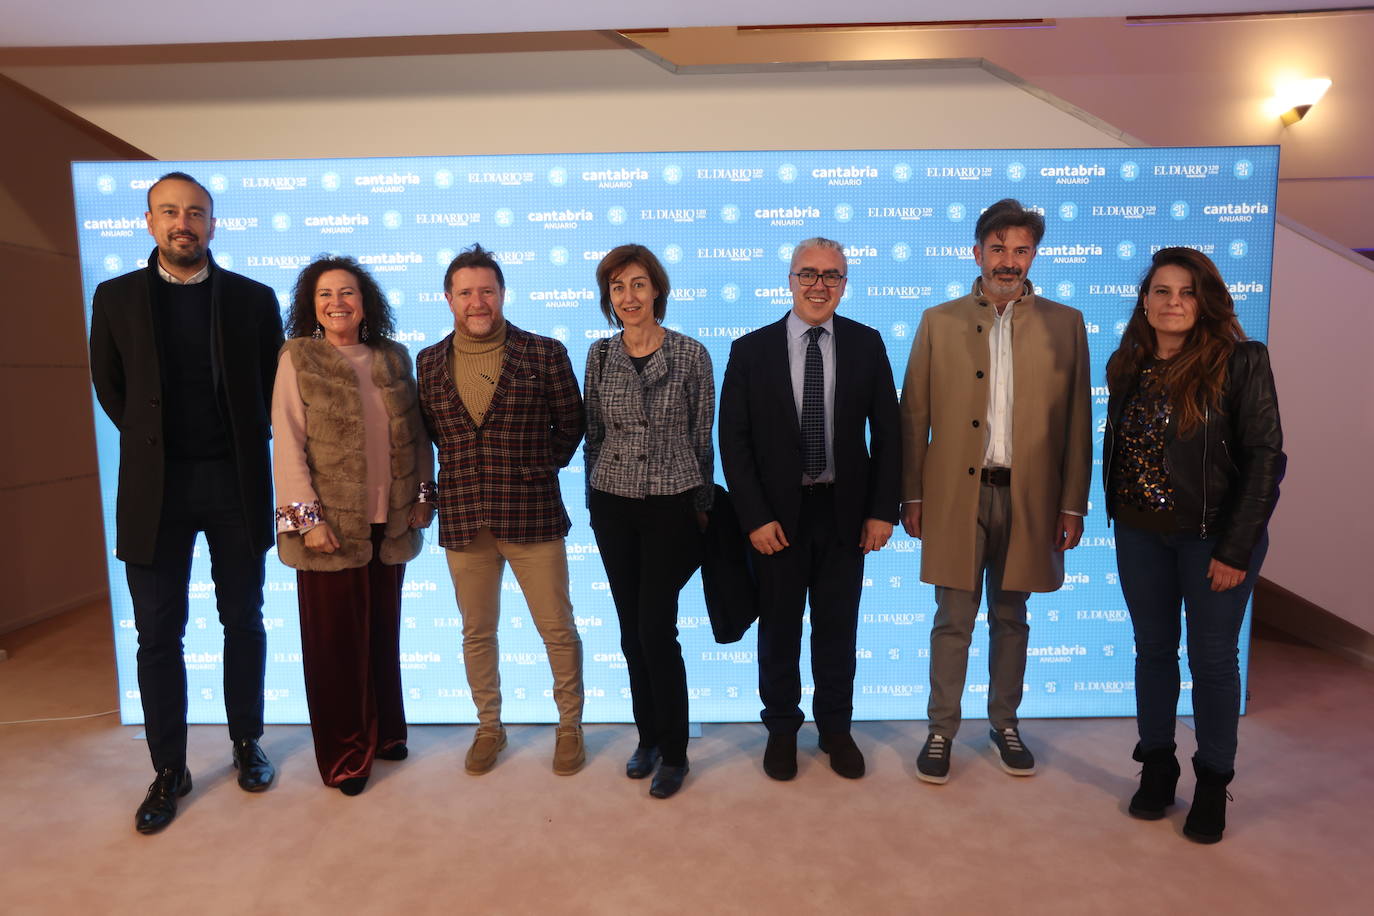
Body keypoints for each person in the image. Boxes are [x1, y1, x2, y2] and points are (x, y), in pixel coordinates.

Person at [89, 172, 283, 833]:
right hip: (156, 490)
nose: (184, 223)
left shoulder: (254, 301)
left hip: (235, 484)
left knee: (244, 621)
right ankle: (168, 767)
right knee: (156, 637)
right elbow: (111, 388)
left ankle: (244, 741)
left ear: (213, 225)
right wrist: (153, 444)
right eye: (170, 212)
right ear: (149, 223)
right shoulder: (113, 298)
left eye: (196, 213)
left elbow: (267, 388)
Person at [900, 198, 1091, 784]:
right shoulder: (939, 320)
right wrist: (911, 494)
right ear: (976, 251)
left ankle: (1005, 723)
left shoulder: (1066, 323)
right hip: (958, 497)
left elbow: (1078, 421)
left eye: (1022, 249)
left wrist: (1072, 502)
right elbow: (915, 416)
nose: (1009, 261)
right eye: (999, 247)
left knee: (1013, 617)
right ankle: (940, 731)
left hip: (1031, 499)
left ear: (1034, 255)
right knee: (952, 619)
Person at [1104, 247, 1283, 844]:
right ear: (1145, 300)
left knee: (1210, 662)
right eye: (1161, 291)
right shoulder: (1126, 363)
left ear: (1204, 300)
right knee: (1153, 652)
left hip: (1214, 541)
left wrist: (1235, 549)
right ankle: (1157, 766)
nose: (1173, 303)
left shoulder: (1241, 361)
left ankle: (1212, 782)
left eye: (1185, 292)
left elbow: (1265, 460)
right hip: (1140, 536)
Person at [719, 237, 900, 782]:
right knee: (778, 630)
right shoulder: (750, 350)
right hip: (776, 519)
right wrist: (753, 516)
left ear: (845, 285)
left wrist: (882, 510)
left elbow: (890, 436)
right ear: (790, 280)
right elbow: (734, 440)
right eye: (809, 274)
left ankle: (836, 730)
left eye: (832, 276)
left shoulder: (867, 345)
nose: (819, 285)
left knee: (838, 630)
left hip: (846, 516)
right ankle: (780, 730)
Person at [416, 244, 588, 776]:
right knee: (476, 632)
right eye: (465, 292)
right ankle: (489, 726)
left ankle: (569, 727)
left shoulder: (544, 353)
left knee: (556, 628)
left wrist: (537, 469)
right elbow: (428, 438)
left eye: (486, 290)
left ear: (502, 294)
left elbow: (573, 424)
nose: (477, 301)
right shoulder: (427, 362)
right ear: (448, 299)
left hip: (532, 515)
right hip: (465, 520)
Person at [271, 256, 434, 796]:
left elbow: (418, 437)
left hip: (389, 524)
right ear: (310, 306)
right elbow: (288, 445)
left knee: (380, 637)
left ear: (366, 303)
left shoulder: (393, 358)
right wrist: (306, 521)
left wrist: (423, 498)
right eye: (325, 295)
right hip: (329, 529)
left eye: (347, 293)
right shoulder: (299, 358)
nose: (337, 303)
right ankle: (346, 757)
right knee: (335, 649)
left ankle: (386, 733)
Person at [583, 245, 714, 799]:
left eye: (638, 285)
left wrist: (701, 509)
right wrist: (594, 499)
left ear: (656, 289)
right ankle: (648, 738)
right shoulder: (597, 355)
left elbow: (701, 437)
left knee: (658, 629)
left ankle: (677, 753)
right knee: (630, 630)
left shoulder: (690, 354)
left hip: (672, 503)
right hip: (614, 505)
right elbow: (594, 433)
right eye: (617, 288)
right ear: (608, 297)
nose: (628, 297)